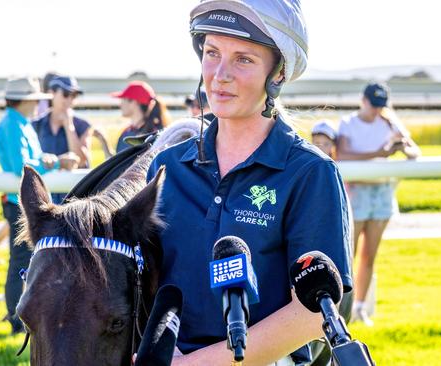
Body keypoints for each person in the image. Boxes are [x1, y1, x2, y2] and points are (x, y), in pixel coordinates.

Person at [145, 1, 352, 364]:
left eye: (244, 59)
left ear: (278, 75)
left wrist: (192, 365)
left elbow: (311, 314)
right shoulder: (166, 167)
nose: (220, 74)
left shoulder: (310, 173)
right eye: (212, 53)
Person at [0, 76, 78, 334]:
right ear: (26, 100)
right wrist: (53, 162)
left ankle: (24, 316)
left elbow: (32, 160)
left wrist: (51, 160)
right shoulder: (11, 125)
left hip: (25, 201)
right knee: (21, 260)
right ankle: (16, 321)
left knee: (30, 259)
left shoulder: (20, 124)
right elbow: (22, 167)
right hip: (18, 203)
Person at [336, 82, 421, 326]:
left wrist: (402, 146)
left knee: (369, 255)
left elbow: (415, 153)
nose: (376, 111)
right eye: (373, 105)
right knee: (347, 255)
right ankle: (343, 310)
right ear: (363, 101)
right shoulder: (348, 123)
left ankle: (361, 307)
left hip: (382, 192)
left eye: (380, 106)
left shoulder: (390, 123)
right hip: (357, 192)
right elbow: (342, 156)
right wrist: (379, 153)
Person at [32, 75, 92, 203]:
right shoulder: (35, 124)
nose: (70, 100)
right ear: (51, 93)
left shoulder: (83, 125)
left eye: (74, 95)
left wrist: (69, 127)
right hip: (44, 195)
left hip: (73, 198)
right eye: (65, 94)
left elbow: (81, 161)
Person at [111, 80, 171, 153]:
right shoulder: (127, 131)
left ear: (134, 102)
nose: (120, 104)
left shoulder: (153, 136)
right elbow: (117, 162)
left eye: (123, 99)